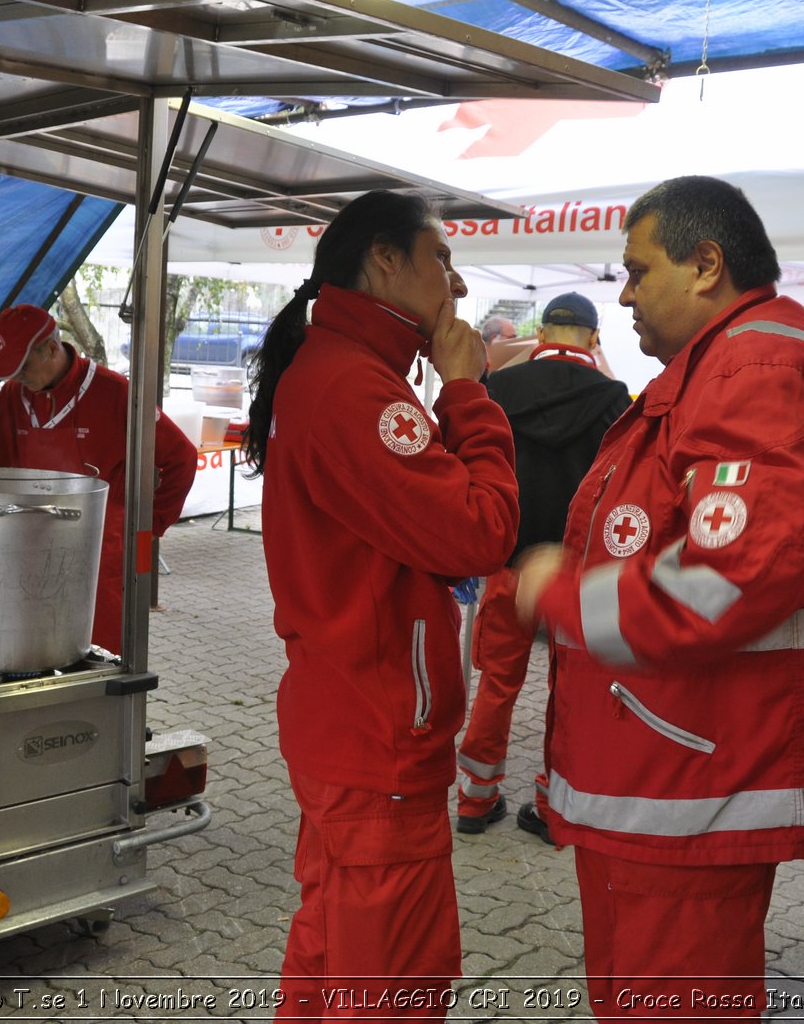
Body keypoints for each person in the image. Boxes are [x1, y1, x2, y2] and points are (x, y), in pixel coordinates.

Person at [514, 176, 804, 1019]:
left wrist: (558, 596)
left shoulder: (762, 365)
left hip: (693, 771)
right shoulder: (725, 364)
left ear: (706, 265)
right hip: (667, 767)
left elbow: (730, 577)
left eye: (638, 270)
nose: (625, 294)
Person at [243, 190, 519, 1019]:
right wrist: (468, 392)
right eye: (441, 258)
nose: (458, 284)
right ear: (385, 260)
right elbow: (481, 531)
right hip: (377, 735)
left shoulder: (348, 374)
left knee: (331, 952)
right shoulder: (357, 388)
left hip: (350, 726)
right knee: (392, 980)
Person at [454, 292, 630, 841]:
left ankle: (474, 801)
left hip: (506, 563)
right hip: (576, 576)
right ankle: (555, 808)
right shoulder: (614, 399)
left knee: (496, 684)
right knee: (571, 688)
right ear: (593, 338)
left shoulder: (498, 388)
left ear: (544, 332)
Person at [0, 303, 198, 655]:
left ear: (52, 349)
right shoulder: (15, 395)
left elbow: (181, 457)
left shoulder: (116, 394)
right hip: (28, 552)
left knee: (100, 660)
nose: (16, 378)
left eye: (22, 366)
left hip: (103, 559)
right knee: (32, 655)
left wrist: (150, 527)